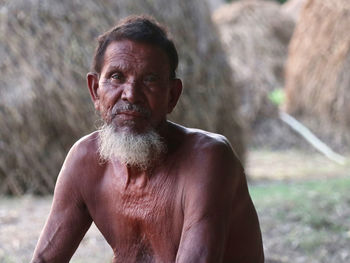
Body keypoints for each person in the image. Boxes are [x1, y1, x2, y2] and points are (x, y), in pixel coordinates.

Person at [31, 15, 264, 263]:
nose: (131, 95)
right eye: (116, 77)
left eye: (150, 79)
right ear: (95, 91)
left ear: (172, 96)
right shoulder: (85, 161)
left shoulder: (208, 158)